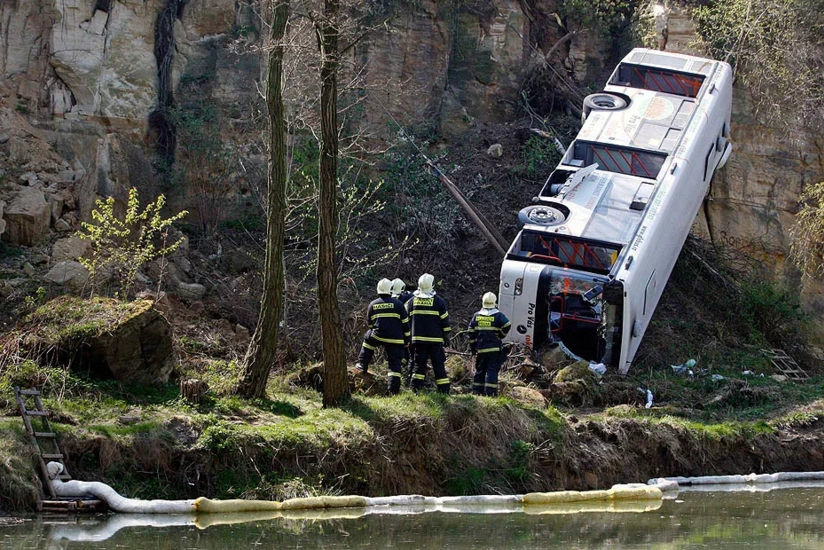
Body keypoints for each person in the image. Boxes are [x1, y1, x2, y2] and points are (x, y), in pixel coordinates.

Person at [355, 278, 410, 395]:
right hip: (396, 339)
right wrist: (407, 340)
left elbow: (370, 324)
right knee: (394, 364)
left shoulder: (373, 304)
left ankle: (362, 364)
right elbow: (405, 324)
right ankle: (393, 391)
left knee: (368, 338)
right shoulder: (399, 304)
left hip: (378, 336)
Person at [406, 273, 452, 394]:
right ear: (431, 285)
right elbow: (445, 322)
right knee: (438, 365)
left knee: (419, 365)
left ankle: (415, 390)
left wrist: (408, 337)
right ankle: (444, 391)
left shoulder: (411, 302)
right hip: (435, 341)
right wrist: (446, 336)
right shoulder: (439, 302)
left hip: (418, 341)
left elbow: (406, 322)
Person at [467, 292, 511, 397]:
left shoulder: (477, 316)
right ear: (494, 302)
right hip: (494, 349)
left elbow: (470, 332)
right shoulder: (498, 315)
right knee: (492, 370)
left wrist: (473, 348)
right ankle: (490, 393)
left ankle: (477, 391)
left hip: (481, 349)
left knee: (480, 370)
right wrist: (500, 335)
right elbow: (507, 324)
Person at [391, 278, 414, 386]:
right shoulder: (409, 298)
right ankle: (407, 375)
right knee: (409, 355)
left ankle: (404, 372)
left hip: (395, 331)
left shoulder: (389, 299)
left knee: (400, 355)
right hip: (407, 330)